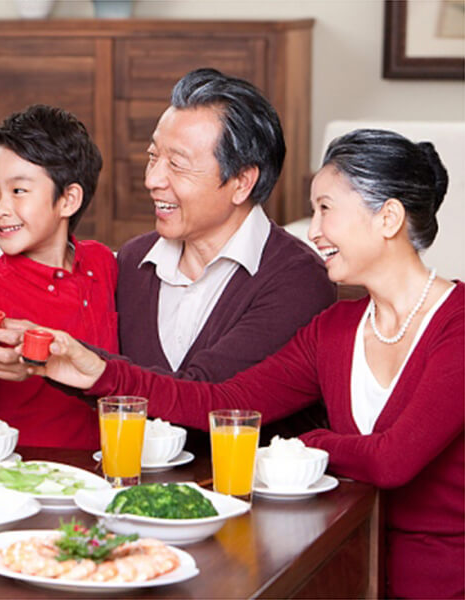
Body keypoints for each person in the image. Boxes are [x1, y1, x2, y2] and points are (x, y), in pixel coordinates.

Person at [32, 129, 464, 599]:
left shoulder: (456, 325)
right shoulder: (334, 330)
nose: (313, 230)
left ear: (389, 218)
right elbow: (225, 401)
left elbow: (392, 461)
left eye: (325, 209)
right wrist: (100, 373)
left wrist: (306, 444)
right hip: (345, 566)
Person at [0, 68, 336, 442]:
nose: (152, 179)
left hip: (245, 495)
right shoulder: (132, 262)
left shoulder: (297, 280)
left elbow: (209, 398)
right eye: (153, 157)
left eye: (177, 165)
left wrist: (91, 367)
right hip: (123, 489)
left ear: (241, 182)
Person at [0, 105, 117, 449]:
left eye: (18, 191)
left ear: (68, 200)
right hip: (21, 474)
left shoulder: (102, 262)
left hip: (103, 469)